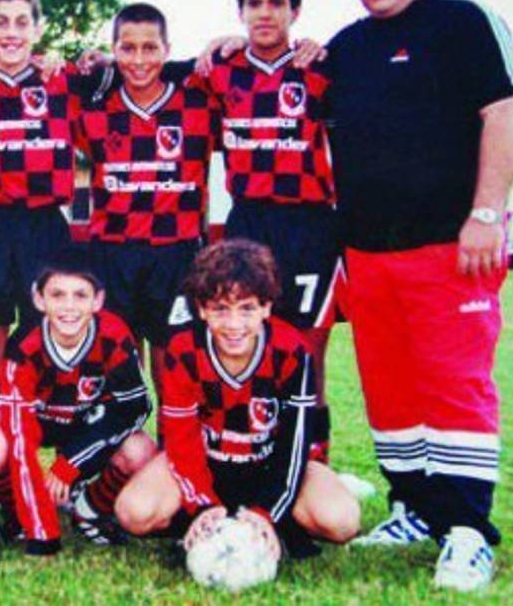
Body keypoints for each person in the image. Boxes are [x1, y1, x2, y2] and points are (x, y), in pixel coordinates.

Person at [323, 0, 513, 591]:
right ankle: (414, 506)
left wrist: (487, 212)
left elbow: (504, 112)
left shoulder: (465, 23)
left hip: (452, 248)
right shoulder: (344, 49)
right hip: (369, 255)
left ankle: (468, 529)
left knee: (455, 383)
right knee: (390, 388)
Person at [114, 239, 359, 567]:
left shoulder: (291, 352)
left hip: (271, 465)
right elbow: (181, 438)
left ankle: (273, 521)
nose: (233, 324)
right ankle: (207, 521)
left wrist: (267, 512)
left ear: (266, 307)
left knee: (341, 521)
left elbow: (294, 444)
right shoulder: (183, 351)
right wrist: (202, 503)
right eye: (220, 309)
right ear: (201, 309)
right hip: (208, 463)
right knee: (135, 512)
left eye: (246, 309)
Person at [191, 0, 340, 460]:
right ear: (240, 11)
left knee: (307, 350)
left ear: (295, 10)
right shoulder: (221, 70)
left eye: (277, 3)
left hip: (310, 223)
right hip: (248, 222)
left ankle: (314, 462)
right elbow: (150, 73)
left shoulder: (318, 69)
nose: (265, 13)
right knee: (244, 340)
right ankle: (247, 455)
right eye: (254, 3)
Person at [0, 0, 88, 435]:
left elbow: (125, 69)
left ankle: (38, 463)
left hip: (45, 230)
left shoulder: (62, 79)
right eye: (1, 22)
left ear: (38, 28)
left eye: (21, 22)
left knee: (45, 357)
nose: (11, 32)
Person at [0, 247, 156, 554]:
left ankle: (90, 509)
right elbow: (20, 436)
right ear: (39, 299)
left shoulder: (113, 335)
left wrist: (70, 462)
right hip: (37, 422)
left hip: (87, 423)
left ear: (98, 300)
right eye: (57, 295)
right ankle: (18, 514)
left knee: (140, 451)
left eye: (80, 295)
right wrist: (41, 531)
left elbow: (135, 407)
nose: (69, 307)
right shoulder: (23, 347)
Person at [74, 3, 216, 382]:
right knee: (119, 375)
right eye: (127, 48)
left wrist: (226, 41)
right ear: (114, 50)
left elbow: (229, 65)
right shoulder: (93, 108)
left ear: (167, 50)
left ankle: (175, 443)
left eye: (150, 48)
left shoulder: (199, 103)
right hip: (112, 253)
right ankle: (126, 442)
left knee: (175, 374)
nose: (139, 59)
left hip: (177, 254)